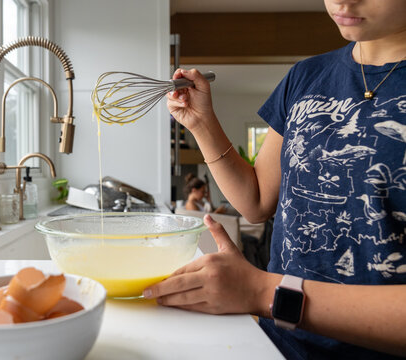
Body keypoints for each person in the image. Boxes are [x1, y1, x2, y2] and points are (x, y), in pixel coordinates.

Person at [143, 0, 406, 358]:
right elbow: (256, 201)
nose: (343, 1)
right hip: (277, 346)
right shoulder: (306, 76)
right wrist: (201, 124)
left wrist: (261, 291)